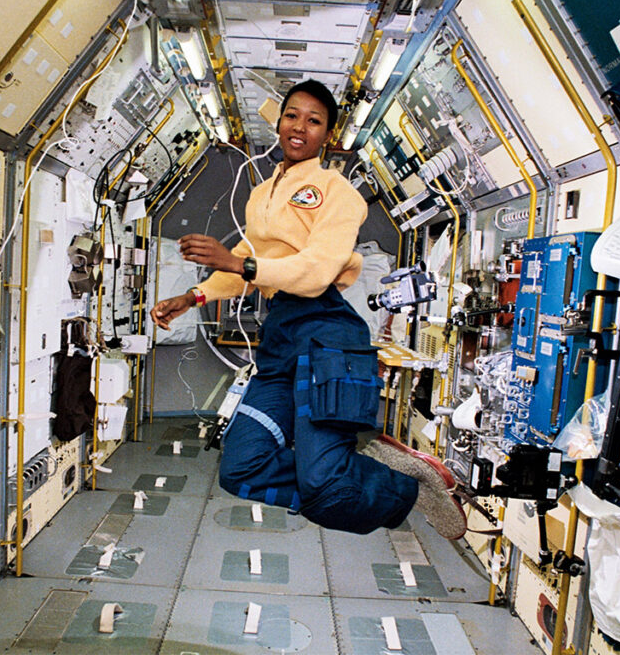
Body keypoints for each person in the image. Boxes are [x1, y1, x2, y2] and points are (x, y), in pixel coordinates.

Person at [151, 80, 465, 539]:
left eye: (314, 121)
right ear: (279, 121)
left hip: (327, 332)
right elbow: (253, 255)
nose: (300, 127)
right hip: (281, 336)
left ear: (328, 136)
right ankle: (356, 468)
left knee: (326, 490)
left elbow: (317, 269)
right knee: (240, 469)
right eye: (292, 115)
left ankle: (406, 486)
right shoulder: (263, 194)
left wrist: (238, 261)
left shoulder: (338, 192)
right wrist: (192, 297)